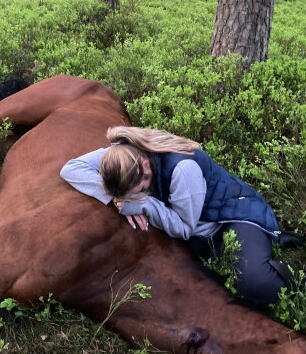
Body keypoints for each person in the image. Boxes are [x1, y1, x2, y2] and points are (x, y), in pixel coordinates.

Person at [60, 126, 303, 305]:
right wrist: (118, 198)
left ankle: (292, 276)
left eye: (140, 190)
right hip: (199, 220)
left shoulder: (182, 170)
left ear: (146, 166)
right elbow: (70, 169)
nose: (135, 196)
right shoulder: (119, 155)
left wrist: (144, 204)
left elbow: (185, 228)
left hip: (230, 216)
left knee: (255, 284)